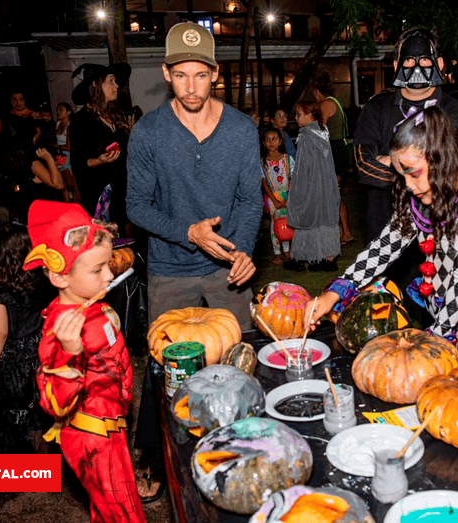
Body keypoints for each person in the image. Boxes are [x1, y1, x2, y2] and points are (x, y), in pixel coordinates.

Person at [126, 21, 262, 503]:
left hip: (227, 269)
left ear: (214, 74)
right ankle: (155, 456)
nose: (190, 86)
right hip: (169, 270)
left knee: (237, 359)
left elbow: (250, 199)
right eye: (180, 75)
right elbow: (136, 206)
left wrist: (241, 249)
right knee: (167, 370)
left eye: (199, 75)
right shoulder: (148, 133)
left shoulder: (242, 130)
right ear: (167, 73)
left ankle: (245, 447)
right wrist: (188, 233)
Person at [307, 106, 458, 378]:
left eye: (414, 173)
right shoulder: (426, 195)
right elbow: (384, 246)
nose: (408, 185)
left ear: (441, 159)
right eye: (402, 176)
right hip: (441, 326)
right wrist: (336, 291)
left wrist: (427, 347)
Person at [24, 200, 145, 522]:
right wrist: (69, 352)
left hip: (113, 426)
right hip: (92, 437)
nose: (109, 275)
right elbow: (54, 404)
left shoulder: (93, 303)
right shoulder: (62, 330)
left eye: (108, 265)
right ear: (59, 277)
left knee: (114, 504)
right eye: (97, 270)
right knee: (122, 512)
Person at [354, 27, 458, 242]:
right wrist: (423, 167)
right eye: (408, 60)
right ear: (396, 65)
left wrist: (390, 160)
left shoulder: (457, 112)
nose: (417, 67)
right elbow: (363, 166)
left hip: (438, 232)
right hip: (384, 232)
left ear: (439, 64)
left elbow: (448, 172)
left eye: (425, 60)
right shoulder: (375, 109)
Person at [0, 223, 51, 451]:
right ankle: (50, 454)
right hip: (45, 351)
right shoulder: (44, 280)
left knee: (21, 411)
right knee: (44, 406)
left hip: (18, 361)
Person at [69, 62, 132, 225]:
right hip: (100, 194)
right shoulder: (80, 121)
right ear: (97, 86)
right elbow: (77, 164)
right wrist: (98, 161)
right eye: (111, 81)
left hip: (124, 189)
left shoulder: (116, 114)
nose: (116, 86)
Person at [285, 98, 341, 272]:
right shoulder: (323, 131)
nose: (296, 118)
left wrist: (296, 189)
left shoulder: (306, 136)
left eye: (299, 114)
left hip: (311, 185)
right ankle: (328, 258)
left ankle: (299, 258)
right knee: (325, 219)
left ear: (309, 115)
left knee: (305, 217)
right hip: (326, 184)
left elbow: (302, 168)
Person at [313, 71, 354, 245]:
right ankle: (344, 233)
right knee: (334, 195)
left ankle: (343, 233)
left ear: (316, 91)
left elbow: (318, 129)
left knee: (332, 195)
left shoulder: (326, 104)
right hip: (339, 150)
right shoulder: (335, 102)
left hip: (334, 151)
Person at [260, 128, 294, 264]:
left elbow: (292, 178)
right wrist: (274, 200)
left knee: (286, 223)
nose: (271, 142)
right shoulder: (262, 162)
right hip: (272, 197)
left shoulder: (287, 159)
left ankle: (287, 251)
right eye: (267, 140)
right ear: (263, 143)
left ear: (280, 141)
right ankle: (277, 253)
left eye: (274, 139)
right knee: (275, 224)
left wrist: (289, 198)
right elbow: (264, 183)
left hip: (287, 195)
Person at [55, 102, 81, 202]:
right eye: (57, 110)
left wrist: (56, 146)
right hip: (59, 155)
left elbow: (69, 147)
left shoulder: (70, 126)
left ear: (68, 112)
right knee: (63, 185)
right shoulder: (58, 124)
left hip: (67, 156)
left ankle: (78, 207)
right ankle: (67, 208)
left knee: (71, 184)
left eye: (61, 110)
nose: (58, 112)